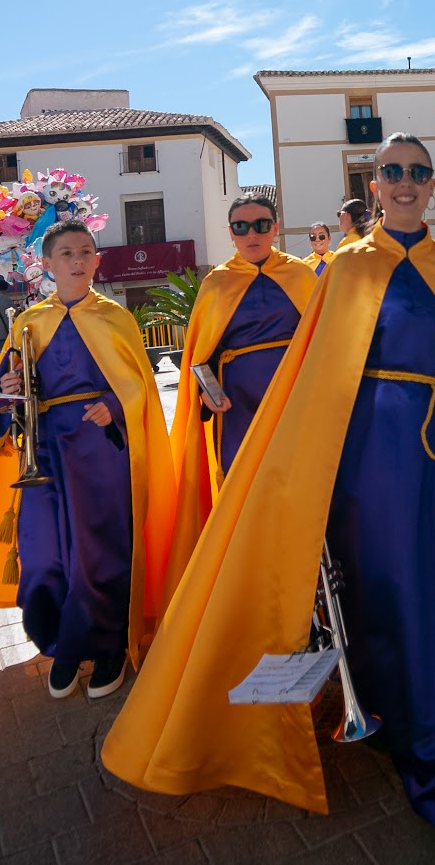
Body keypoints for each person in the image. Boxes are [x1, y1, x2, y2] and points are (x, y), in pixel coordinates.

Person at [102, 133, 435, 860]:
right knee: (383, 603)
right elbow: (316, 378)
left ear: (432, 186)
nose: (405, 182)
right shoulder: (344, 268)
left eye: (418, 172)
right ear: (374, 186)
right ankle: (393, 724)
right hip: (366, 467)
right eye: (392, 172)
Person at [0, 219, 180, 701]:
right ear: (47, 263)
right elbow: (11, 386)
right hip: (44, 450)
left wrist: (114, 403)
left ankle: (106, 644)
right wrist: (7, 385)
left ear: (97, 260)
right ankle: (64, 641)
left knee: (97, 549)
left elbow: (140, 385)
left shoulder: (116, 317)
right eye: (66, 253)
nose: (78, 260)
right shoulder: (29, 322)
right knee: (43, 552)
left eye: (86, 251)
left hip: (100, 448)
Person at [162, 192, 316, 585]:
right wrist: (206, 392)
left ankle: (307, 580)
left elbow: (325, 338)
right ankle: (252, 581)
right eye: (241, 227)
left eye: (261, 225)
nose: (252, 234)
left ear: (275, 228)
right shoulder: (217, 284)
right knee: (245, 491)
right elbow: (202, 354)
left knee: (303, 485)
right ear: (230, 233)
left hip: (296, 401)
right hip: (238, 409)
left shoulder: (302, 276)